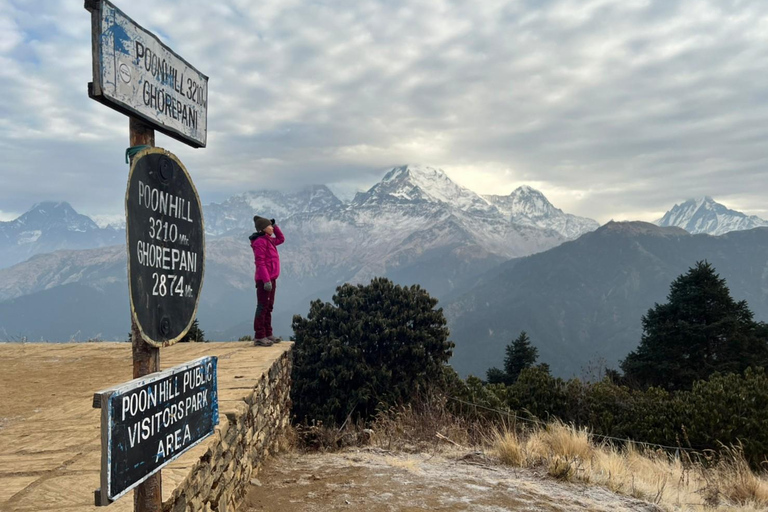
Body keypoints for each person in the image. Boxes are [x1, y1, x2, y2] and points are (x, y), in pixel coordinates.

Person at [249, 216, 285, 346]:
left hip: (271, 279)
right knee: (262, 307)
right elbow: (260, 262)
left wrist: (275, 226)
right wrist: (266, 280)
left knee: (269, 307)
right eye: (269, 226)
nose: (272, 228)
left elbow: (281, 239)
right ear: (263, 229)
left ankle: (268, 333)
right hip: (264, 281)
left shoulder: (269, 240)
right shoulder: (260, 242)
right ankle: (259, 336)